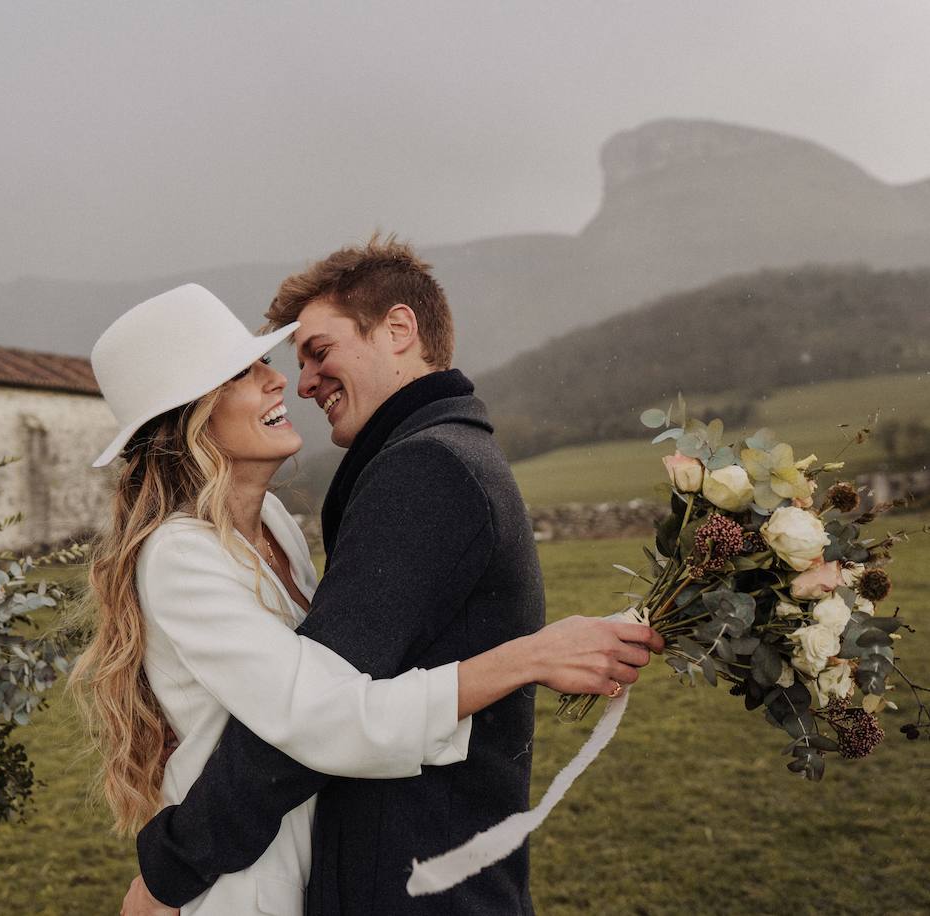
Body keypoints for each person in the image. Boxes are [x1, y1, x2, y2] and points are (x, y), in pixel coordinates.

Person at [79, 278, 661, 916]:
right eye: (243, 373)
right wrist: (526, 659)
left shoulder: (273, 522)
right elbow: (325, 716)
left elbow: (331, 678)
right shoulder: (180, 557)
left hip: (312, 854)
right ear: (189, 417)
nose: (284, 383)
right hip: (248, 881)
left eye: (269, 363)